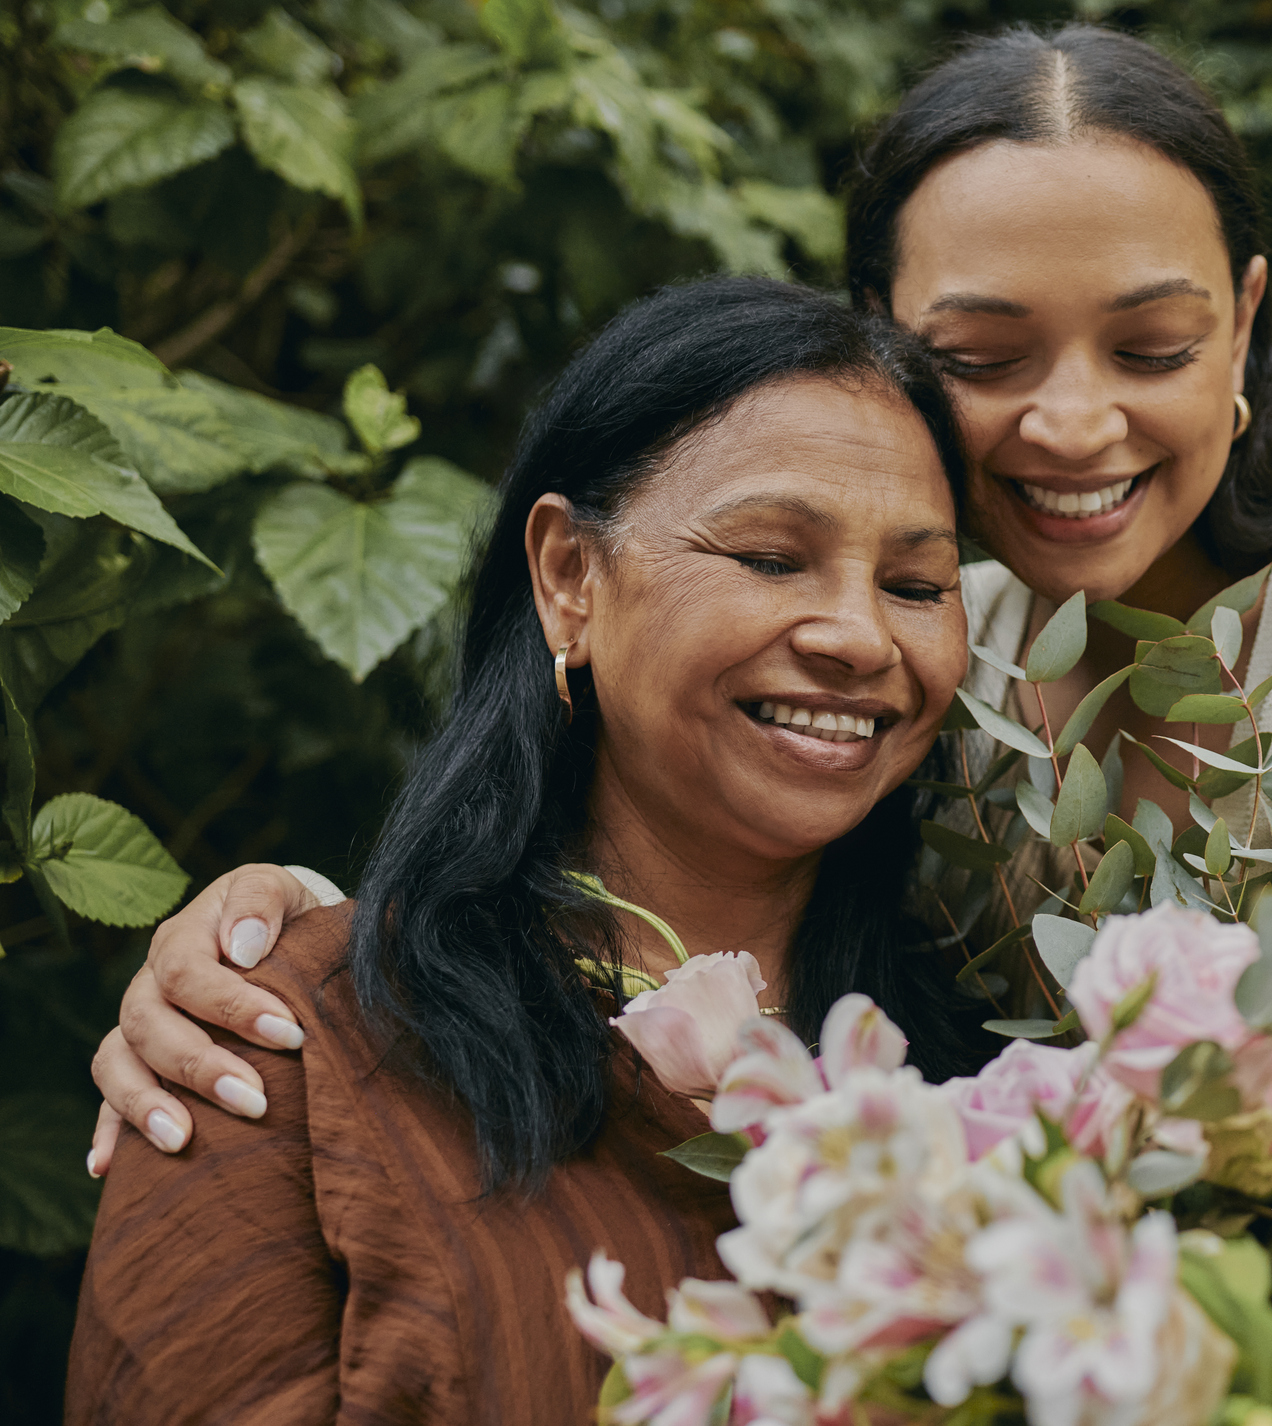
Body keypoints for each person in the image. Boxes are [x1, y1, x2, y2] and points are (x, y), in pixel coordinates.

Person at [95, 23, 1272, 1391]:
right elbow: (629, 848)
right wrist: (275, 935)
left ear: (1248, 326)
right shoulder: (940, 656)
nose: (1073, 428)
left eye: (1150, 348)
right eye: (986, 359)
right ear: (883, 343)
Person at [67, 277, 987, 1422]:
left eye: (915, 584)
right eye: (767, 556)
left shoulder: (992, 1079)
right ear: (567, 577)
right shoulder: (283, 1049)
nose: (858, 635)